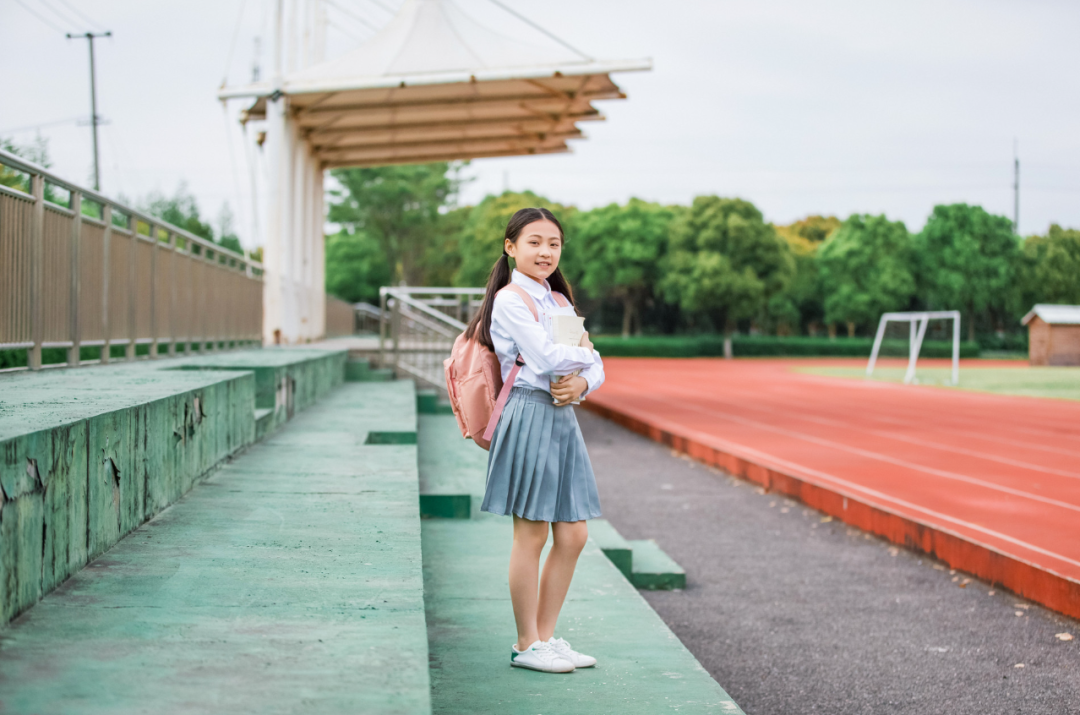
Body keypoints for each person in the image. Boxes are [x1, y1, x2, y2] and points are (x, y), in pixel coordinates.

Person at [463, 207, 606, 674]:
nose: (545, 251)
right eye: (534, 242)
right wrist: (580, 356)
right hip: (527, 412)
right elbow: (544, 358)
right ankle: (527, 643)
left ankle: (546, 636)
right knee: (532, 532)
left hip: (563, 417)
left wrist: (584, 382)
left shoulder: (559, 303)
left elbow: (597, 364)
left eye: (554, 244)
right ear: (511, 248)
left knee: (575, 534)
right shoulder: (509, 300)